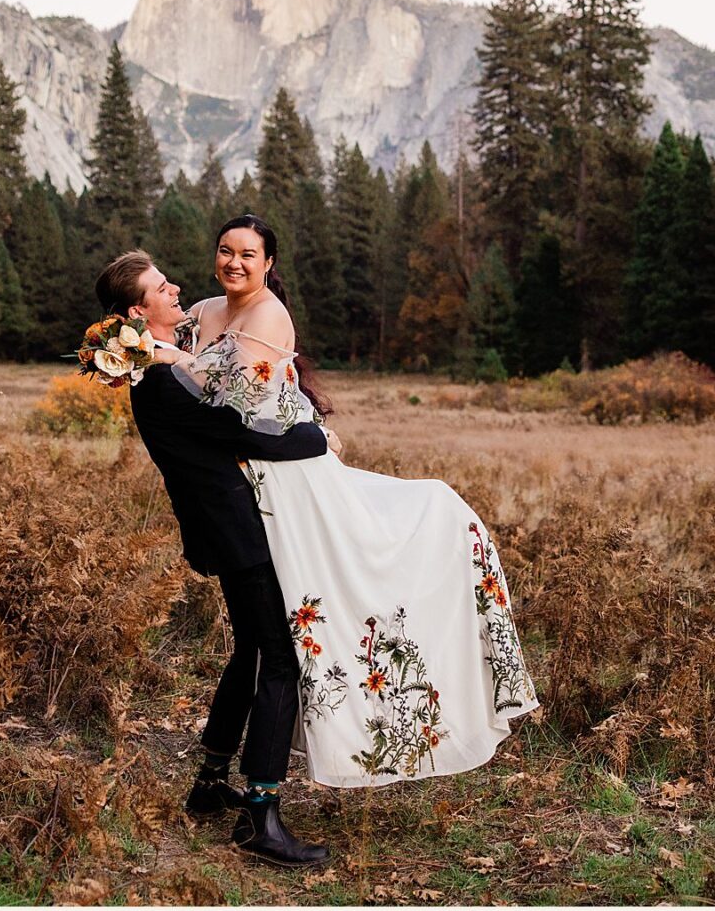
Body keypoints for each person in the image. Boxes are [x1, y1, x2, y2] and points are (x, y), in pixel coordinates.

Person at [154, 214, 539, 790]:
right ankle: (218, 783)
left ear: (269, 264)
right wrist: (137, 345)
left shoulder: (268, 317)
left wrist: (170, 359)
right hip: (244, 486)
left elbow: (240, 404)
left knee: (333, 598)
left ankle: (272, 778)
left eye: (248, 255)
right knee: (263, 640)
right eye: (225, 250)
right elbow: (157, 331)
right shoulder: (206, 311)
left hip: (286, 477)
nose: (234, 262)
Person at [95, 251, 333, 868]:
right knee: (279, 656)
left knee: (251, 649)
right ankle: (261, 815)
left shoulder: (162, 366)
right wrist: (315, 436)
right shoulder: (163, 380)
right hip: (236, 533)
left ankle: (207, 784)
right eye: (158, 287)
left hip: (223, 528)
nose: (174, 287)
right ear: (136, 312)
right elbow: (244, 434)